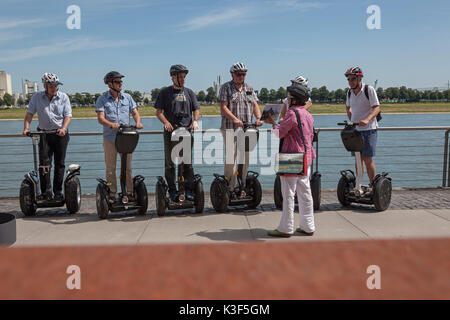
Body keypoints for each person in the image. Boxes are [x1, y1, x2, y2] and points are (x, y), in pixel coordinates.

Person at [265, 82, 316, 237]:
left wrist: (273, 124)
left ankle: (286, 228)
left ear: (294, 99)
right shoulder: (308, 114)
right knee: (305, 193)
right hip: (306, 156)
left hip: (292, 157)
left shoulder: (292, 113)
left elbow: (280, 133)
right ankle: (308, 226)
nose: (287, 99)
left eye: (288, 97)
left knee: (288, 194)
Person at [22, 73, 72, 201]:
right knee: (44, 164)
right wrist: (26, 128)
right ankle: (46, 192)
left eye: (56, 86)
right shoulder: (37, 97)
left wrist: (64, 128)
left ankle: (58, 191)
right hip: (44, 135)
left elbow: (68, 116)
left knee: (60, 164)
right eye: (51, 86)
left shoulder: (64, 97)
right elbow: (29, 114)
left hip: (60, 134)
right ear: (45, 86)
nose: (54, 88)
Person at [95, 71, 143, 203]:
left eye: (121, 81)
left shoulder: (127, 98)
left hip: (126, 137)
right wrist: (111, 124)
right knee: (110, 168)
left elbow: (135, 113)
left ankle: (129, 192)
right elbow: (100, 118)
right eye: (117, 82)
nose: (120, 84)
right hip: (110, 138)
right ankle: (112, 193)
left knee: (127, 168)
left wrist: (138, 122)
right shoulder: (102, 99)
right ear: (110, 84)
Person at [154, 65, 200, 202]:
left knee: (187, 162)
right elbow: (158, 112)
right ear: (173, 77)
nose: (183, 79)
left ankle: (188, 190)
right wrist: (166, 122)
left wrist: (195, 121)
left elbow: (196, 109)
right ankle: (173, 191)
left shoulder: (190, 93)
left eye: (184, 77)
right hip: (170, 132)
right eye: (180, 77)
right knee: (170, 163)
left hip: (186, 131)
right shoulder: (165, 92)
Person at [219, 62, 262, 192]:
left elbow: (255, 105)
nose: (241, 76)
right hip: (230, 128)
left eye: (243, 74)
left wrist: (259, 118)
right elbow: (223, 108)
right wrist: (234, 119)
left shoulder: (249, 87)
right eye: (239, 74)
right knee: (231, 159)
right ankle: (230, 188)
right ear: (232, 74)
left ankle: (242, 186)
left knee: (245, 159)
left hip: (247, 129)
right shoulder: (226, 87)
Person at [345, 67, 380, 187]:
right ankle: (359, 185)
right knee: (357, 159)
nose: (350, 82)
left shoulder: (368, 89)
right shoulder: (349, 92)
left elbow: (376, 108)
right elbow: (348, 107)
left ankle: (372, 186)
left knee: (367, 159)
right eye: (348, 79)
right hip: (356, 131)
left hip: (369, 129)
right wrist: (351, 118)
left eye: (353, 79)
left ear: (359, 78)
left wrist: (367, 119)